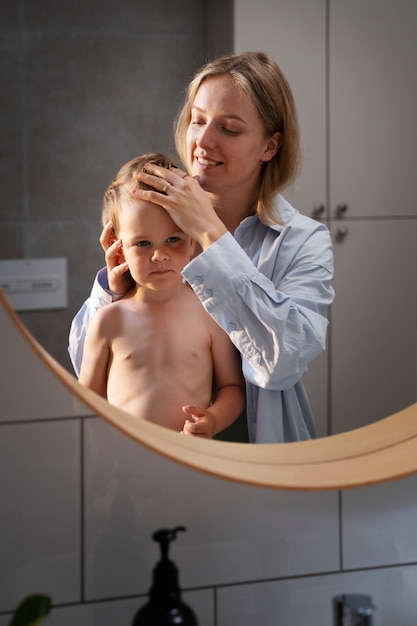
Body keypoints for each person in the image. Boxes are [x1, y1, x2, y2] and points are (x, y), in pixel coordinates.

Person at [69, 51, 335, 443]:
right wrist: (112, 292)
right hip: (145, 466)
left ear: (270, 146)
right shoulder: (154, 220)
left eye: (228, 129)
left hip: (258, 456)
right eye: (198, 120)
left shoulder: (303, 241)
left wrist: (211, 233)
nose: (203, 141)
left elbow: (284, 361)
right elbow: (86, 366)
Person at [78, 153, 245, 438]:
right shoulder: (109, 320)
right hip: (125, 464)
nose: (159, 255)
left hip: (191, 457)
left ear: (192, 240)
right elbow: (85, 404)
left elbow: (233, 388)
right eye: (142, 243)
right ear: (119, 249)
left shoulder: (209, 314)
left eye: (173, 239)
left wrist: (213, 420)